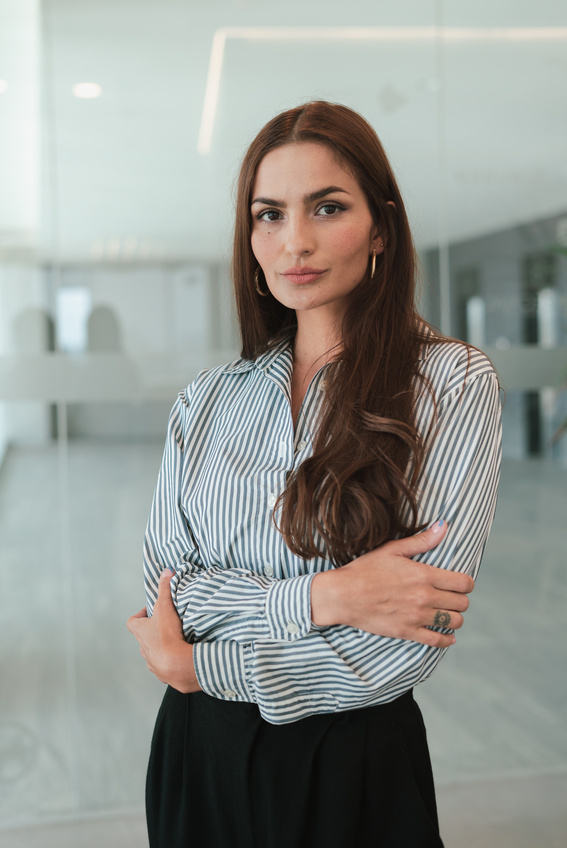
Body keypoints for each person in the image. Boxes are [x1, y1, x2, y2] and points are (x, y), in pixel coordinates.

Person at [127, 101, 502, 848]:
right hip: (195, 756)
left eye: (326, 207)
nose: (293, 240)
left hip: (351, 764)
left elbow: (404, 639)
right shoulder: (206, 400)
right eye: (268, 215)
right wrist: (329, 595)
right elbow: (169, 596)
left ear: (380, 229)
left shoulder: (451, 383)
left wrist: (203, 669)